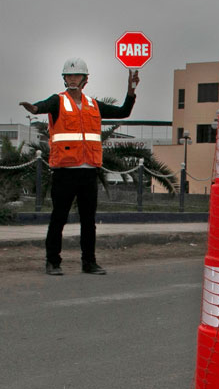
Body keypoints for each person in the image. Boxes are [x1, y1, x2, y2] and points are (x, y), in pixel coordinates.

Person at [19, 57, 139, 275]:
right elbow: (41, 106)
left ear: (85, 79)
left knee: (88, 221)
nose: (72, 79)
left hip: (88, 172)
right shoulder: (58, 101)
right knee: (59, 218)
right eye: (69, 76)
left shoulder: (94, 105)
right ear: (64, 79)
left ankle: (89, 262)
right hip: (64, 172)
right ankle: (53, 261)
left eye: (76, 75)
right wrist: (34, 108)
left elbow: (123, 112)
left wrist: (131, 92)